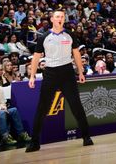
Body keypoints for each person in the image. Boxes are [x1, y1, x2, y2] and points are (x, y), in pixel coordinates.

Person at [25, 10, 93, 152]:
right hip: (50, 73)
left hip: (67, 72)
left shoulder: (70, 34)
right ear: (52, 19)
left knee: (76, 106)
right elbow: (36, 57)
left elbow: (76, 54)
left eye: (62, 16)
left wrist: (80, 72)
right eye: (57, 17)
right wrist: (32, 76)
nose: (60, 19)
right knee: (42, 108)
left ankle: (86, 137)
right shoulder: (44, 36)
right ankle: (34, 142)